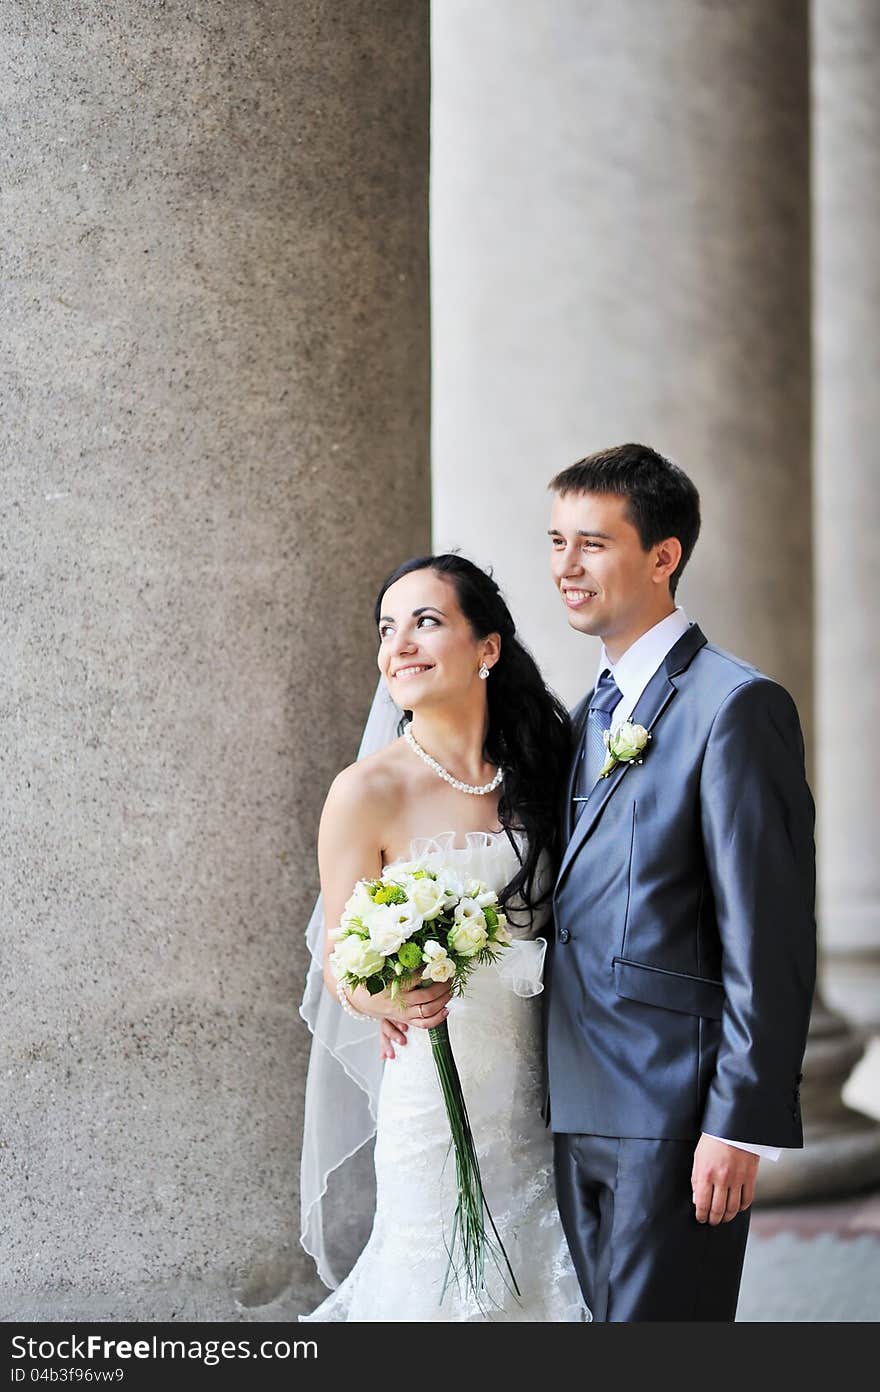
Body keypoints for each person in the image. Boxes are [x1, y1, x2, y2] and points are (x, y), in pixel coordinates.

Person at [544, 443, 817, 1321]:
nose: (566, 567)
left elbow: (767, 935)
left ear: (663, 558)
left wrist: (739, 1122)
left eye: (592, 543)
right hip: (573, 1099)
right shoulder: (585, 715)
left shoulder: (736, 707)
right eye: (556, 541)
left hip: (672, 1111)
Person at [299, 553, 588, 1321]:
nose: (400, 644)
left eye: (426, 621)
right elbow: (342, 962)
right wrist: (388, 990)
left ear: (487, 648)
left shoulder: (546, 766)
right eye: (387, 628)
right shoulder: (367, 792)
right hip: (436, 1095)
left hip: (554, 1085)